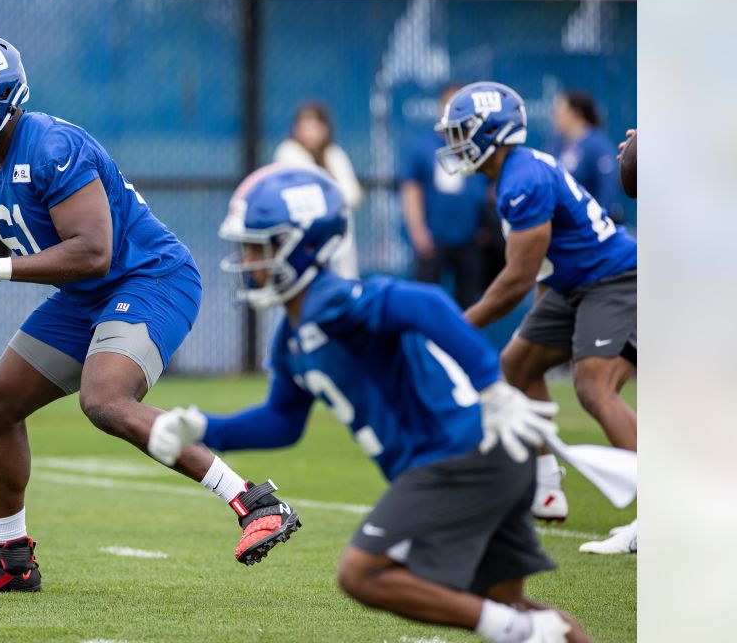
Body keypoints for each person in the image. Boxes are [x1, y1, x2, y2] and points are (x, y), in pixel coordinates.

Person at [0, 35, 301, 593]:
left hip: (149, 279)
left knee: (105, 400)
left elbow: (92, 250)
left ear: (1, 96)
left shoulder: (52, 145)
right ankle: (11, 560)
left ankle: (253, 502)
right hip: (87, 294)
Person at [150, 163, 590, 643]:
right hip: (483, 459)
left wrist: (493, 386)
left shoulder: (334, 301)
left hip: (461, 455)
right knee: (515, 606)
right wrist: (205, 429)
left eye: (261, 244)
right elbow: (282, 422)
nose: (248, 257)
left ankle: (512, 629)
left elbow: (426, 303)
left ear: (306, 243)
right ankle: (521, 626)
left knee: (362, 573)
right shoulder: (292, 334)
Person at [438, 82, 638, 552]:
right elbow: (545, 263)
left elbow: (518, 277)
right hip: (575, 283)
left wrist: (456, 328)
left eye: (463, 131)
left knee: (594, 386)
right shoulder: (515, 173)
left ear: (492, 131)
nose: (455, 143)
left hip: (616, 279)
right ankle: (546, 485)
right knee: (517, 364)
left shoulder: (521, 179)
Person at [400, 84, 493, 308]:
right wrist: (418, 231)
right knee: (425, 302)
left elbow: (492, 187)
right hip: (434, 239)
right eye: (450, 105)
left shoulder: (480, 146)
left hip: (470, 240)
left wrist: (490, 227)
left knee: (470, 305)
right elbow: (411, 190)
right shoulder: (423, 146)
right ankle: (424, 344)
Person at [272, 102, 363, 277]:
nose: (310, 133)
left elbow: (352, 194)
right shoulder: (288, 152)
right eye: (305, 127)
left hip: (338, 241)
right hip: (303, 241)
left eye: (315, 127)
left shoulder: (334, 154)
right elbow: (308, 195)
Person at [546, 90, 624, 222]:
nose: (555, 117)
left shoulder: (597, 144)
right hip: (564, 225)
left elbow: (608, 187)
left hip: (592, 226)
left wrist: (597, 219)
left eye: (559, 112)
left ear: (576, 113)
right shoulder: (556, 144)